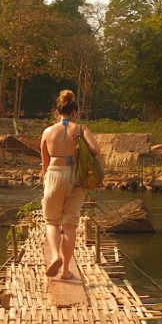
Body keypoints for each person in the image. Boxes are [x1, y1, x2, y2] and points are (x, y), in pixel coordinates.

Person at [40, 89, 101, 280]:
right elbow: (96, 150)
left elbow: (45, 162)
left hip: (54, 175)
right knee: (70, 225)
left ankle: (55, 255)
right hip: (75, 178)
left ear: (57, 113)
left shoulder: (48, 132)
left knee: (51, 221)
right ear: (75, 112)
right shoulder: (81, 129)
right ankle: (66, 270)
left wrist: (45, 182)